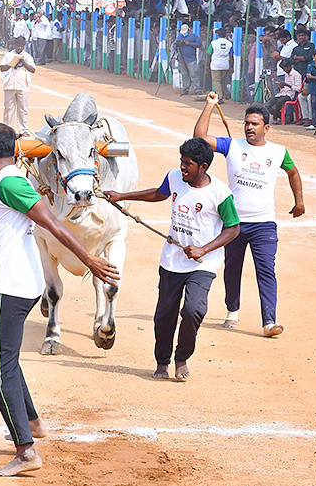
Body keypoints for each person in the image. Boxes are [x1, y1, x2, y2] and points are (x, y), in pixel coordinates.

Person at [0, 122, 118, 477]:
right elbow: (13, 223)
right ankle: (31, 422)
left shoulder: (11, 182)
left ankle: (26, 451)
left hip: (10, 287)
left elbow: (53, 224)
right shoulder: (7, 183)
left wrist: (90, 259)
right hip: (17, 282)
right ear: (15, 150)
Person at [101, 138, 240, 380]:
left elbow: (233, 229)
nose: (182, 167)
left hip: (203, 264)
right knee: (165, 314)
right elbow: (158, 193)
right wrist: (121, 196)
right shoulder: (175, 177)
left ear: (203, 166)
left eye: (188, 164)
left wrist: (204, 249)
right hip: (172, 260)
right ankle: (162, 362)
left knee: (193, 309)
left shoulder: (220, 193)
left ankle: (182, 358)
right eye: (181, 162)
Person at [194, 98, 304, 338]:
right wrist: (210, 106)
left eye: (255, 123)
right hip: (233, 224)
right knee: (232, 268)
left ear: (266, 128)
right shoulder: (232, 145)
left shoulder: (278, 152)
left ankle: (269, 321)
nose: (249, 127)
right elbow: (199, 139)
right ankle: (232, 310)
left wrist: (299, 201)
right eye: (246, 123)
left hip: (264, 223)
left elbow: (293, 172)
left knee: (266, 270)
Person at [0, 35, 36, 136]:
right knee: (8, 108)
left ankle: (23, 130)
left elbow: (33, 70)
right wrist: (12, 64)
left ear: (24, 46)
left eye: (21, 46)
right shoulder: (8, 55)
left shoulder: (28, 56)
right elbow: (2, 68)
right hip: (9, 84)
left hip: (23, 85)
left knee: (23, 109)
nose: (19, 48)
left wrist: (23, 63)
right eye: (18, 46)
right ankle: (7, 129)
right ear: (14, 45)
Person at [269, 58, 303, 124]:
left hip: (290, 95)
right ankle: (283, 117)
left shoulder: (297, 75)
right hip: (283, 93)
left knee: (279, 102)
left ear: (289, 66)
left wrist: (287, 85)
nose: (284, 70)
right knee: (268, 105)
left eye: (284, 68)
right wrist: (282, 86)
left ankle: (275, 117)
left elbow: (298, 88)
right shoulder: (286, 74)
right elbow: (285, 87)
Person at [175, 23, 202, 96]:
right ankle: (185, 89)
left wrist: (190, 44)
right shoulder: (179, 37)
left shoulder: (193, 36)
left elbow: (199, 44)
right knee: (184, 75)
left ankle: (197, 89)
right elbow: (174, 45)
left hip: (191, 59)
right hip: (182, 59)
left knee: (194, 74)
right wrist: (178, 44)